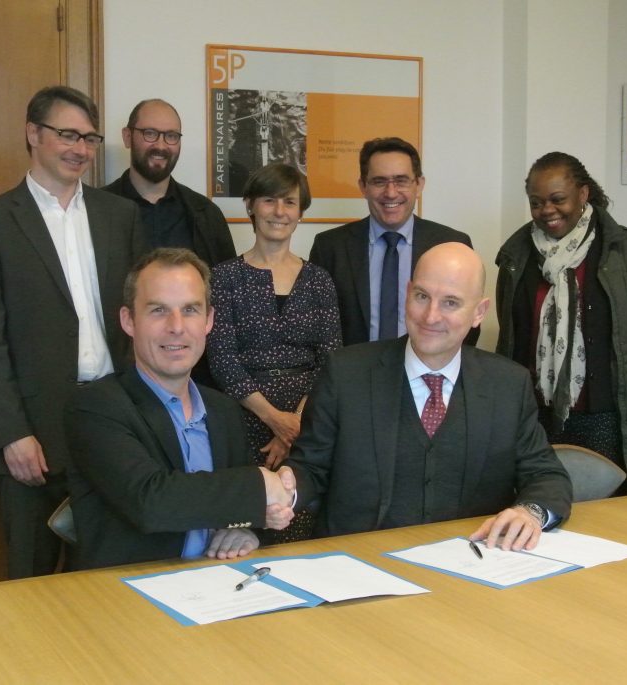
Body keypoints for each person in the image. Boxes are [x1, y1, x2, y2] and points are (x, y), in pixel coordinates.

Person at [0, 86, 146, 578]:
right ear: (33, 134)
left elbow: (137, 320)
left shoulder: (119, 216)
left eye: (89, 138)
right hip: (33, 433)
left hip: (112, 418)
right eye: (67, 134)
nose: (80, 149)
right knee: (32, 578)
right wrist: (11, 433)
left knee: (109, 571)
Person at [287, 243, 572, 551]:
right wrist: (282, 492)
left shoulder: (508, 385)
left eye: (450, 303)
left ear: (479, 312)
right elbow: (309, 469)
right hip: (361, 564)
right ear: (407, 293)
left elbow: (546, 475)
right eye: (422, 296)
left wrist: (529, 512)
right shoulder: (346, 374)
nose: (430, 316)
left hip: (469, 566)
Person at [64, 248, 296, 570]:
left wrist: (248, 531)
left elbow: (249, 511)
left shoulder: (223, 410)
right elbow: (151, 501)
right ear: (128, 320)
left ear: (209, 321)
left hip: (216, 585)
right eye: (158, 310)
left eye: (190, 309)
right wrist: (259, 488)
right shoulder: (96, 407)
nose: (177, 326)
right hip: (126, 598)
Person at [496, 152, 627, 493]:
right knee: (542, 509)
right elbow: (512, 333)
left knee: (613, 518)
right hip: (536, 416)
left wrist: (623, 372)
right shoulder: (516, 257)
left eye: (557, 199)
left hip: (609, 414)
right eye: (536, 202)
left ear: (583, 194)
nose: (547, 210)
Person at [207, 163, 341, 542]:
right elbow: (222, 358)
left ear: (301, 212)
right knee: (247, 525)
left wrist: (294, 424)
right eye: (269, 200)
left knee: (299, 520)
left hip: (309, 421)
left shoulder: (319, 280)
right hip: (243, 417)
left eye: (289, 202)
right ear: (250, 206)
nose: (279, 211)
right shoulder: (223, 277)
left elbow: (331, 359)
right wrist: (273, 418)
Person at [309, 137, 477, 347]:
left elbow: (468, 319)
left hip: (428, 372)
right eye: (379, 181)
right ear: (363, 186)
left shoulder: (451, 245)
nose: (390, 192)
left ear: (419, 185)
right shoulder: (330, 247)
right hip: (353, 374)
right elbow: (316, 325)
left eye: (401, 181)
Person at [103, 99, 236, 267]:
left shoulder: (207, 214)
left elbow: (227, 289)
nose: (161, 145)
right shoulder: (97, 209)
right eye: (150, 133)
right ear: (128, 137)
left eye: (171, 136)